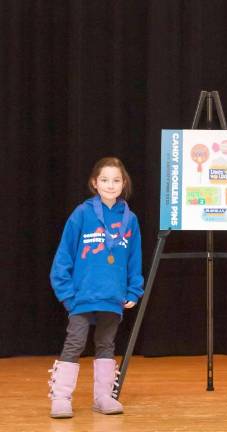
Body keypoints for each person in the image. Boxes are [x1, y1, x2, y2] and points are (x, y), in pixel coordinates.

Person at [48, 157, 144, 418]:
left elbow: (135, 259)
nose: (110, 185)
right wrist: (67, 294)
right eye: (104, 180)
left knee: (106, 344)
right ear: (94, 183)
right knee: (75, 343)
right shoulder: (82, 213)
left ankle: (103, 397)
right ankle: (61, 397)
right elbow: (63, 256)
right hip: (82, 297)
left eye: (116, 180)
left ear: (123, 183)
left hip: (112, 297)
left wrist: (134, 290)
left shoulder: (130, 219)